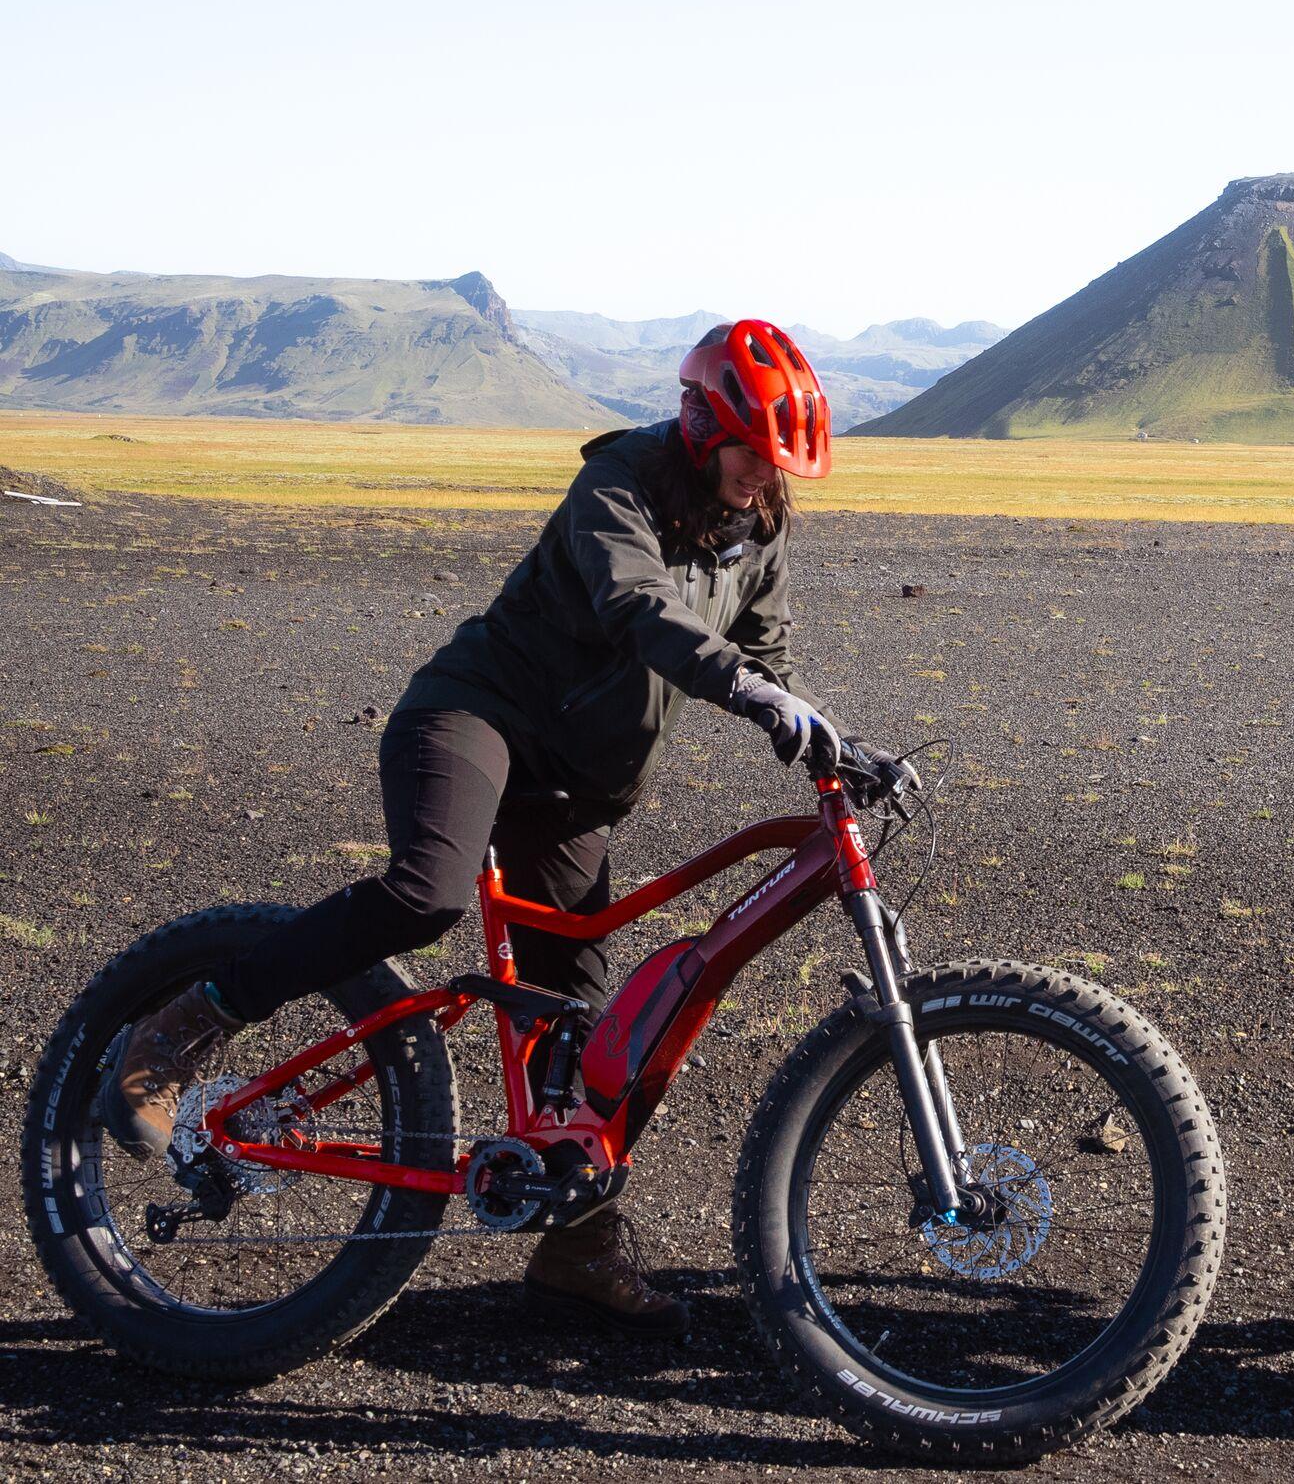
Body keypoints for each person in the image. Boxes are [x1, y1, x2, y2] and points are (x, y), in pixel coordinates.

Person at [101, 319, 861, 1337]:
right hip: (475, 719)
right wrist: (746, 692)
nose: (765, 478)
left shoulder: (756, 526)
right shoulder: (619, 484)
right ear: (699, 424)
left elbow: (765, 649)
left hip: (574, 791)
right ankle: (186, 1022)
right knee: (425, 892)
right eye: (753, 453)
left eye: (782, 465)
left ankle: (573, 1245)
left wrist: (833, 736)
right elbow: (635, 603)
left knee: (598, 1043)